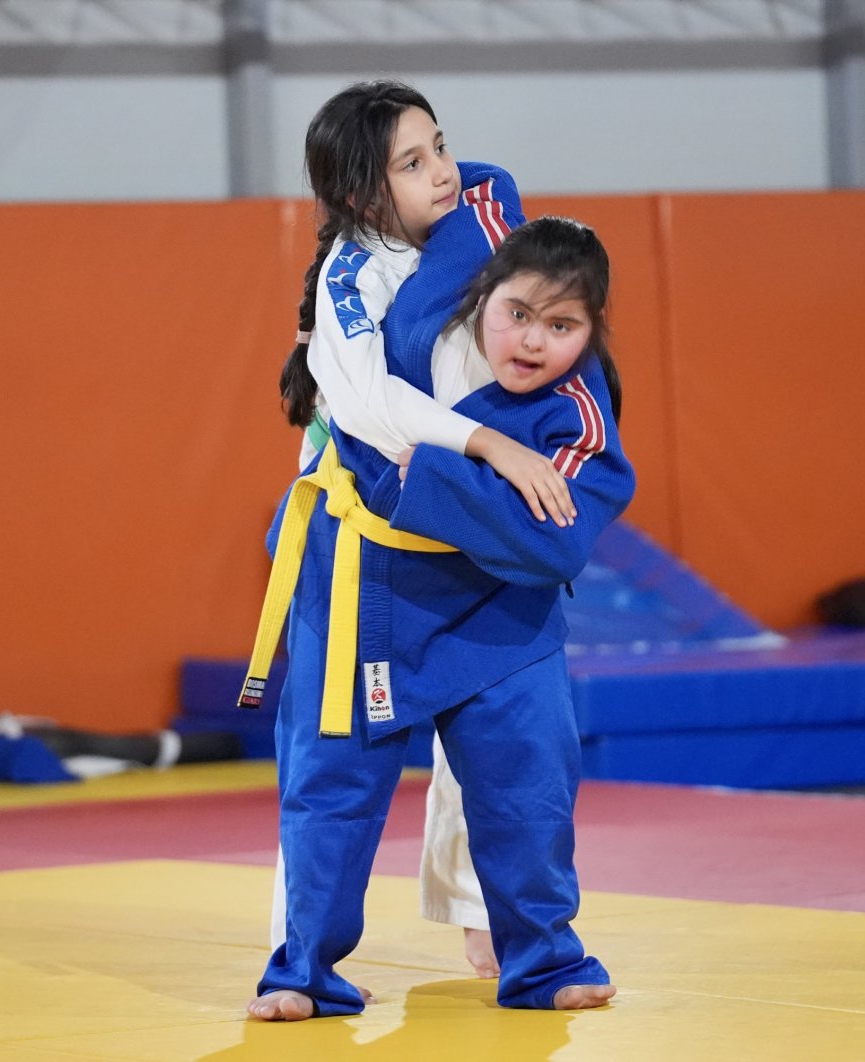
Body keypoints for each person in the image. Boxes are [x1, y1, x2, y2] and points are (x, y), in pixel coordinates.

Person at [243, 203, 633, 1020]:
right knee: (329, 786)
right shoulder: (409, 325)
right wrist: (471, 463)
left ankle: (541, 959)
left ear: (592, 334)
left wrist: (409, 475)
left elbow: (553, 542)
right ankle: (302, 970)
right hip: (364, 585)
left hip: (497, 614)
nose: (531, 341)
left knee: (528, 779)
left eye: (561, 326)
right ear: (480, 295)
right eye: (517, 314)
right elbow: (466, 192)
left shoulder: (579, 414)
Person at [262, 80, 573, 984]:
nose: (442, 170)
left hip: (466, 522)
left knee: (497, 735)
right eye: (413, 161)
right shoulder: (351, 277)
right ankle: (298, 954)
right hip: (362, 536)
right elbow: (366, 405)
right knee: (332, 757)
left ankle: (487, 917)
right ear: (363, 195)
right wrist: (487, 445)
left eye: (441, 146)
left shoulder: (479, 226)